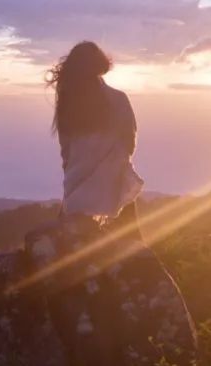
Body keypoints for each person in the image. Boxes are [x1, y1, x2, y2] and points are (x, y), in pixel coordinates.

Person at [46, 41, 144, 232]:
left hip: (78, 189)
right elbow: (129, 142)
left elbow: (66, 153)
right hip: (116, 183)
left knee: (66, 240)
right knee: (131, 240)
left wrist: (74, 182)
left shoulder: (69, 104)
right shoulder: (119, 99)